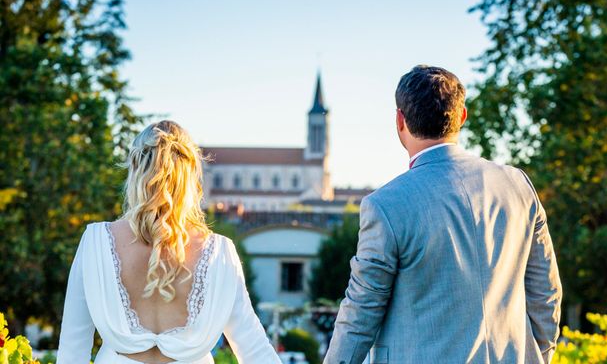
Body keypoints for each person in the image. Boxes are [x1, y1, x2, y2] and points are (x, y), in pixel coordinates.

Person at [324, 65, 562, 364]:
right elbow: (546, 294)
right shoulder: (518, 187)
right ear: (462, 117)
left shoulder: (385, 206)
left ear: (400, 120)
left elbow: (360, 313)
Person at [57, 120, 281, 364]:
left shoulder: (96, 242)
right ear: (191, 177)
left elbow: (72, 350)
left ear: (134, 168)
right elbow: (255, 349)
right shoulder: (220, 253)